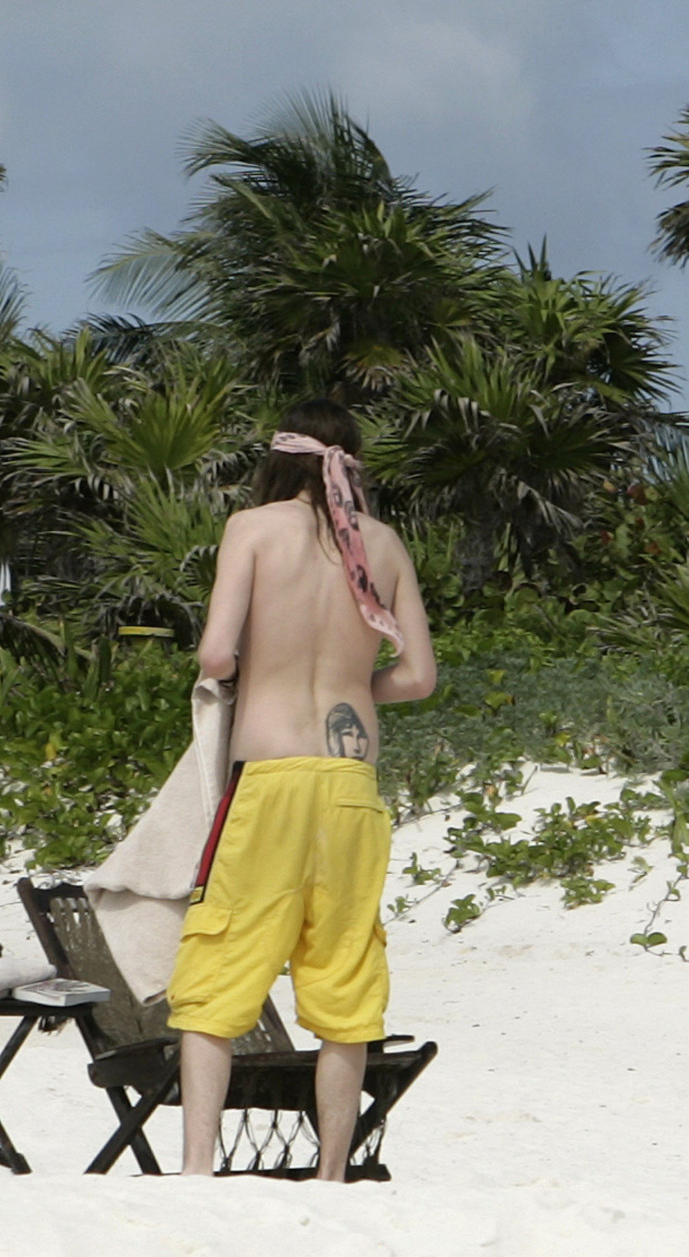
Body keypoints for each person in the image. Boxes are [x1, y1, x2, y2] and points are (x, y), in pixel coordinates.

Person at [166, 399, 435, 1180]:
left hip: (272, 776)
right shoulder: (383, 543)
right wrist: (351, 686)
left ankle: (197, 1168)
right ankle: (332, 1174)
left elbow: (215, 654)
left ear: (280, 458)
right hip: (350, 780)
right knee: (344, 973)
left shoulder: (253, 528)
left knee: (221, 966)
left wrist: (261, 675)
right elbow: (418, 675)